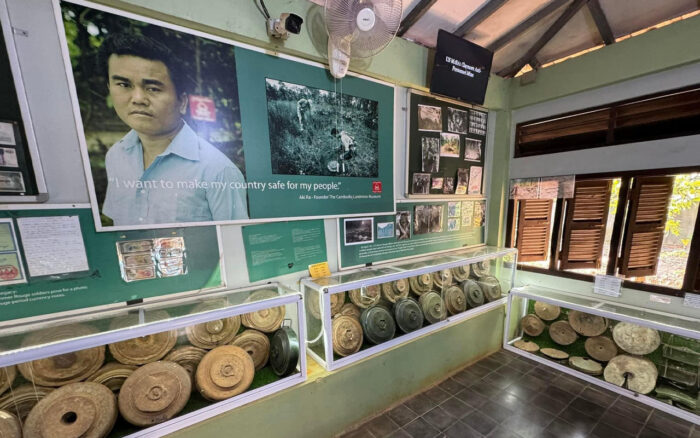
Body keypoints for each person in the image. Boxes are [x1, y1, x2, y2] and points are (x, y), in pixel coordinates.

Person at [98, 33, 248, 225]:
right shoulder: (115, 156)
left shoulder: (218, 171)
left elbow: (235, 243)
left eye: (152, 88)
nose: (137, 98)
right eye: (123, 84)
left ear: (182, 102)